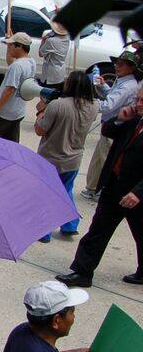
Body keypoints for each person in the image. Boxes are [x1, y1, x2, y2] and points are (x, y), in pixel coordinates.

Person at [57, 87, 143, 287]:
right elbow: (108, 131)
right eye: (138, 100)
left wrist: (138, 193)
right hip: (114, 186)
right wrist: (119, 118)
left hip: (137, 194)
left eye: (142, 101)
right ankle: (82, 271)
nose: (138, 104)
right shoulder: (134, 120)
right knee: (98, 231)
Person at [34, 72, 99, 242]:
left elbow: (40, 130)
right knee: (66, 191)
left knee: (47, 195)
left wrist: (41, 111)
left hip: (51, 159)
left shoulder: (57, 105)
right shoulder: (94, 106)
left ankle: (44, 232)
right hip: (74, 159)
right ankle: (70, 225)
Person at [81, 50, 141, 201]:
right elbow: (113, 97)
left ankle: (96, 189)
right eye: (117, 63)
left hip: (115, 128)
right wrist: (103, 87)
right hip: (109, 125)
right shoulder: (122, 81)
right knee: (99, 159)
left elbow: (109, 105)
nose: (117, 67)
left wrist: (89, 104)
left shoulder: (128, 86)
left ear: (131, 68)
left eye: (121, 64)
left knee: (103, 160)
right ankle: (94, 188)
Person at [0, 33, 36, 142]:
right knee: (10, 144)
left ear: (20, 47)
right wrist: (9, 44)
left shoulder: (17, 66)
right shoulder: (31, 62)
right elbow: (10, 62)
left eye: (11, 46)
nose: (9, 48)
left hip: (5, 113)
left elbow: (10, 90)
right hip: (18, 111)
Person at [38, 21, 69, 87]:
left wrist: (43, 40)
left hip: (50, 74)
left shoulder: (51, 41)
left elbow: (40, 53)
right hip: (60, 71)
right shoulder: (67, 38)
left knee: (46, 94)